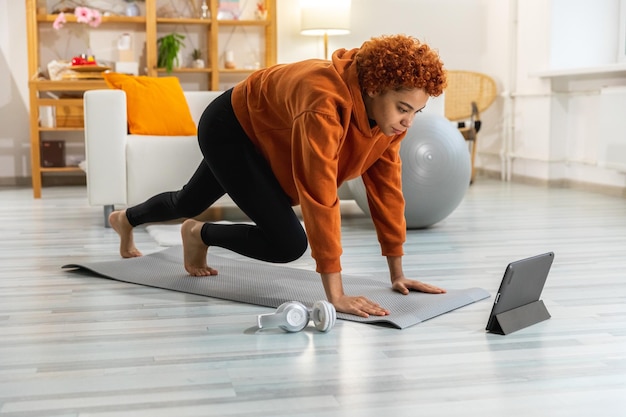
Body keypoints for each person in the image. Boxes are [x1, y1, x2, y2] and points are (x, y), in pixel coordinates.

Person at [109, 34, 448, 318]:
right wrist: (337, 295)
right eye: (403, 109)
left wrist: (398, 274)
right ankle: (196, 233)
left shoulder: (389, 125)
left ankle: (130, 220)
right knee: (288, 243)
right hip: (230, 125)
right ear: (374, 88)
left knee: (189, 200)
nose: (408, 123)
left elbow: (386, 190)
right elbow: (320, 193)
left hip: (268, 130)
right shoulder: (324, 103)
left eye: (416, 112)